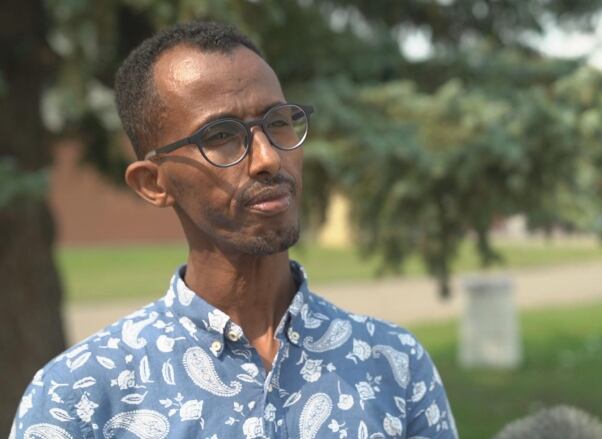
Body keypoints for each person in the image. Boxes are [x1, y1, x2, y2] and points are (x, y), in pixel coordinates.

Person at [10, 21, 457, 439]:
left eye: (278, 122)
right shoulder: (79, 397)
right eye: (221, 135)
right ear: (153, 183)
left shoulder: (393, 364)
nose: (268, 158)